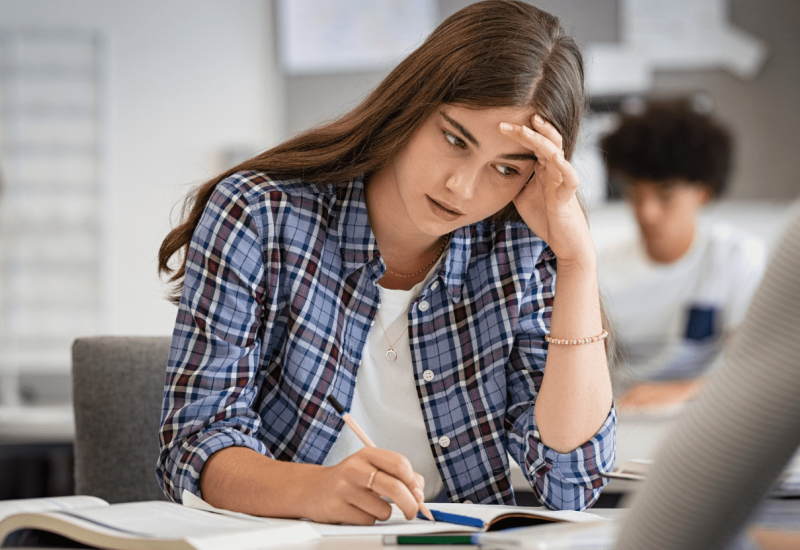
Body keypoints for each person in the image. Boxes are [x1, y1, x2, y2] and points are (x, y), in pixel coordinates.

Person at [156, 0, 615, 525]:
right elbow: (194, 445)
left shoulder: (520, 246)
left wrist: (577, 260)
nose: (462, 188)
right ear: (412, 104)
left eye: (505, 169)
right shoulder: (260, 213)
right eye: (454, 139)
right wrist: (316, 490)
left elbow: (573, 481)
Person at [598, 100, 766, 410]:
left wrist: (687, 391)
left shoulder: (736, 258)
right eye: (636, 194)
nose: (647, 213)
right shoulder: (599, 270)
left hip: (705, 414)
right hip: (623, 415)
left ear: (703, 192)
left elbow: (757, 370)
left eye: (665, 195)